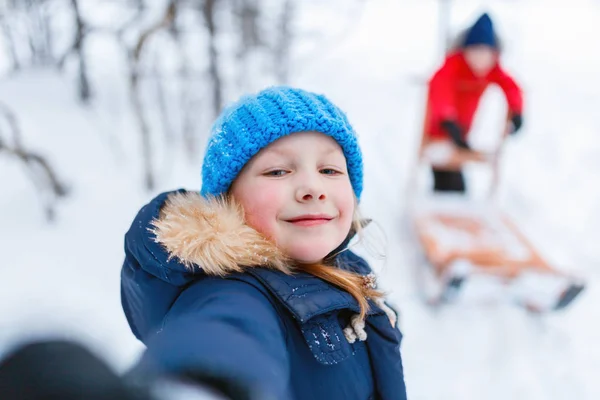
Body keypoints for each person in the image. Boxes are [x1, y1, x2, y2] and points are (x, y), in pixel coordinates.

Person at [120, 86, 408, 400]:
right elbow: (225, 339)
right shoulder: (233, 292)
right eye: (278, 171)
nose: (313, 188)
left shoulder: (345, 270)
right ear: (227, 201)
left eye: (329, 170)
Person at [425, 12, 524, 193]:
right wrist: (447, 118)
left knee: (456, 177)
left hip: (461, 133)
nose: (480, 60)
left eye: (486, 54)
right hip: (440, 129)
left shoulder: (491, 70)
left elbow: (511, 87)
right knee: (446, 175)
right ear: (466, 50)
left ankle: (453, 205)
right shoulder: (454, 64)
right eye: (476, 52)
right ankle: (445, 206)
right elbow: (439, 87)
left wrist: (517, 111)